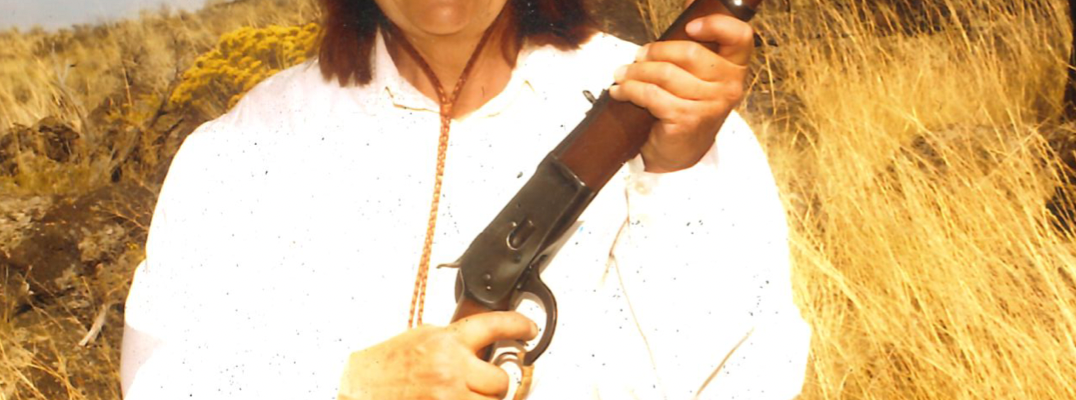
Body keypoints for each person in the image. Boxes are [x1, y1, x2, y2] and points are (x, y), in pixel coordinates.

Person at [119, 0, 812, 398]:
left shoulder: (672, 108)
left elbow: (748, 373)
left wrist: (678, 175)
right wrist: (349, 381)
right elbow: (159, 378)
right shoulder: (244, 142)